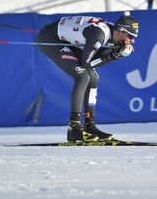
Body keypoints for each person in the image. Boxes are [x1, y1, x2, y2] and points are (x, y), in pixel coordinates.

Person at [36, 11, 138, 143]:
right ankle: (74, 128)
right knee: (83, 76)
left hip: (65, 38)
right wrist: (114, 55)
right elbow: (87, 63)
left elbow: (95, 57)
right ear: (120, 31)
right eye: (130, 36)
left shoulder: (112, 32)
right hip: (50, 38)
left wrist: (114, 50)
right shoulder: (99, 34)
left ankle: (89, 126)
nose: (132, 40)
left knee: (93, 77)